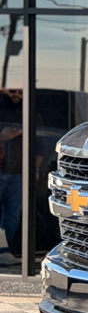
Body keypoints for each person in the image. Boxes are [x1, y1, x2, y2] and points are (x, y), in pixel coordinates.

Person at [0, 88, 21, 266]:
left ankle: (5, 250)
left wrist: (36, 166)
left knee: (13, 214)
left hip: (20, 171)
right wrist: (2, 136)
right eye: (13, 91)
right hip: (1, 167)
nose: (17, 95)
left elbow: (39, 140)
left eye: (21, 92)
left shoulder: (29, 110)